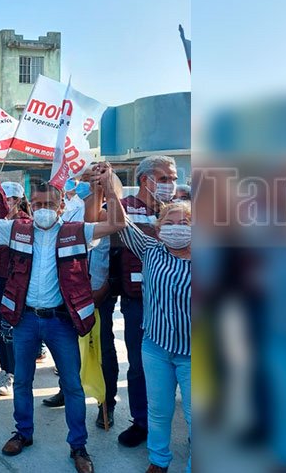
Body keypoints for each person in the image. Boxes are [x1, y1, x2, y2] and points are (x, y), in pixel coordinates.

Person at [0, 163, 126, 473]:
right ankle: (23, 433)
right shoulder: (17, 229)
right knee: (22, 381)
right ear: (31, 205)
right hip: (25, 319)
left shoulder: (76, 231)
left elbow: (117, 223)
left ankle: (78, 446)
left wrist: (109, 186)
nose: (44, 209)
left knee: (72, 385)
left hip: (60, 322)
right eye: (38, 204)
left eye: (50, 204)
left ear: (61, 207)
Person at [103, 155, 179, 447]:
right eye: (164, 179)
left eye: (173, 179)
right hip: (137, 300)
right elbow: (106, 234)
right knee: (139, 364)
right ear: (145, 180)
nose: (171, 185)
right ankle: (141, 422)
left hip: (179, 301)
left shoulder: (180, 210)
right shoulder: (124, 208)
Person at [117, 201, 192, 473]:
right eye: (169, 223)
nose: (177, 229)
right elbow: (121, 223)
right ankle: (158, 460)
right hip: (156, 348)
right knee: (159, 411)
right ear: (158, 230)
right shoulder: (150, 250)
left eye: (184, 223)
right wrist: (109, 187)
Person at [0, 181, 27, 397]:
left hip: (13, 280)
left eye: (9, 199)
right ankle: (4, 369)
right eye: (1, 198)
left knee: (9, 327)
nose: (4, 203)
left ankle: (13, 373)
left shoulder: (24, 223)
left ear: (18, 201)